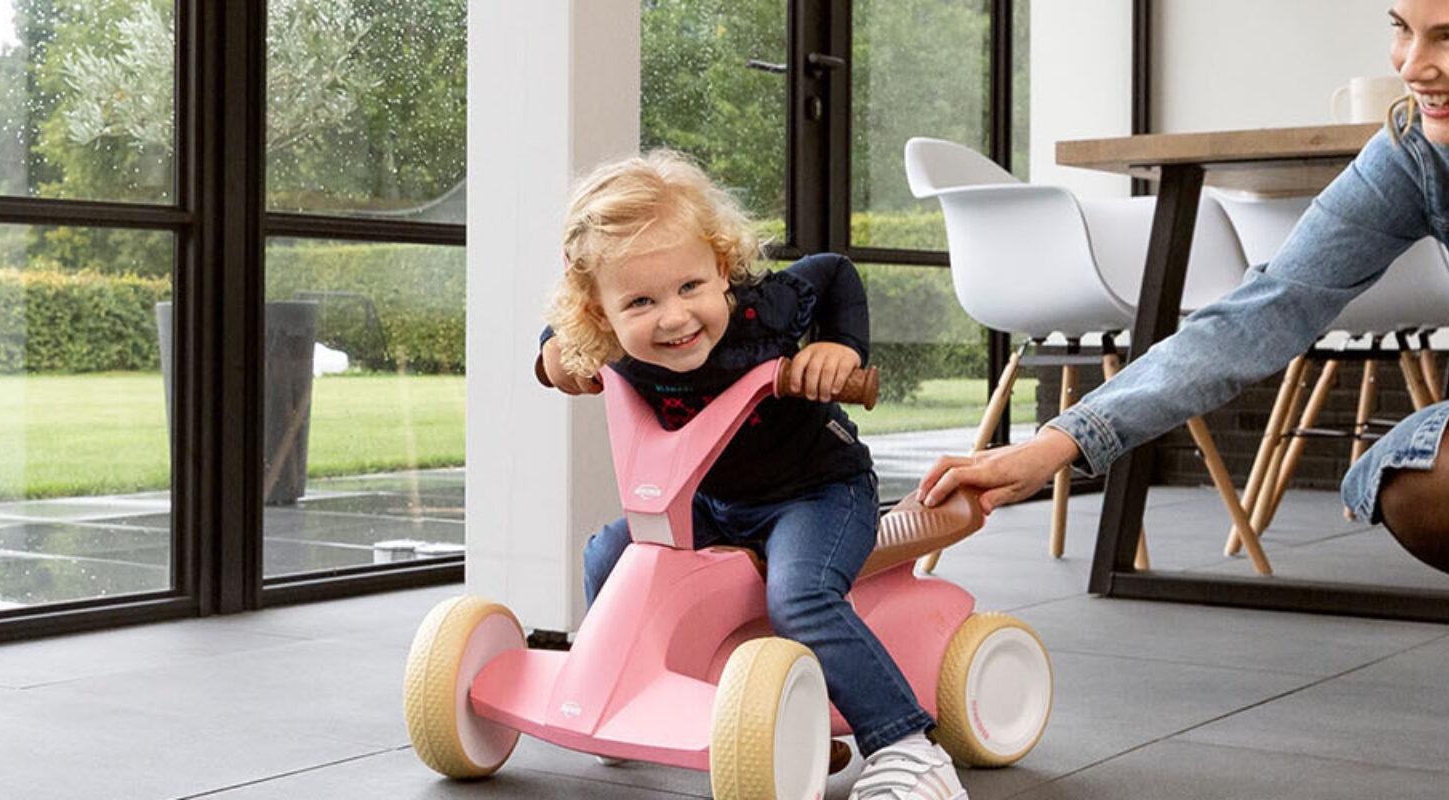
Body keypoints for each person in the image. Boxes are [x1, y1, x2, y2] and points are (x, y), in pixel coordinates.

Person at [918, 0, 1449, 574]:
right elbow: (1266, 310)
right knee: (1422, 485)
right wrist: (1058, 443)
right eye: (1401, 30)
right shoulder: (1410, 157)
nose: (1412, 67)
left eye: (1445, 39)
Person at [538, 150, 967, 800]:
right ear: (601, 313)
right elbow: (559, 336)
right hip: (710, 498)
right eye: (642, 301)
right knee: (610, 555)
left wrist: (839, 348)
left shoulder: (766, 307)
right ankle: (628, 696)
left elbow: (835, 273)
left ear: (721, 265)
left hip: (816, 488)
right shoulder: (604, 331)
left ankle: (907, 747)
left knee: (799, 597)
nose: (675, 317)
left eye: (690, 287)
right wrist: (551, 359)